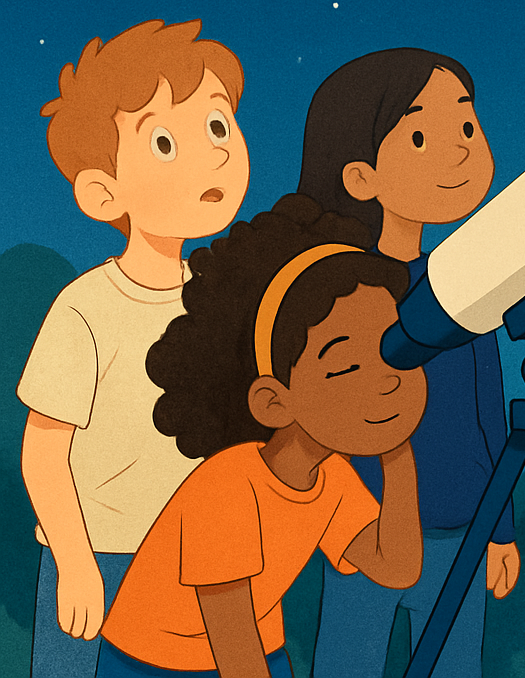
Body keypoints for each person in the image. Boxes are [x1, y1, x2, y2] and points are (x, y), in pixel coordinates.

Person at [96, 193, 427, 677]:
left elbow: (396, 568)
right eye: (347, 366)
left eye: (392, 351)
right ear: (274, 401)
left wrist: (396, 453)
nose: (387, 378)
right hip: (153, 664)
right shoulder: (227, 490)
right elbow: (233, 647)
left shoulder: (329, 477)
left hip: (260, 653)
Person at [17, 20, 250, 678]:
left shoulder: (227, 301)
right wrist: (74, 563)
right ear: (101, 192)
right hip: (100, 560)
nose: (214, 156)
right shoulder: (84, 309)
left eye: (218, 126)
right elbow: (43, 450)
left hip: (198, 565)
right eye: (168, 142)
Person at [298, 48, 519, 678]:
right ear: (361, 176)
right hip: (361, 534)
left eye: (468, 129)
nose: (458, 151)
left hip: (461, 534)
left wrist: (499, 529)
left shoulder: (461, 284)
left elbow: (489, 410)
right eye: (421, 134)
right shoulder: (335, 294)